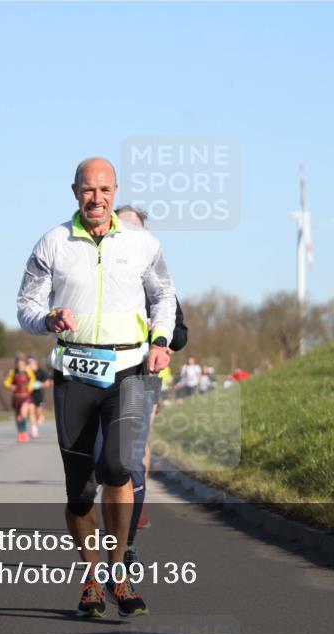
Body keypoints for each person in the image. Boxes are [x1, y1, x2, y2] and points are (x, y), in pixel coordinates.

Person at [17, 157, 176, 618]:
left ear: (115, 191)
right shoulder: (53, 243)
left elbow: (165, 296)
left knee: (119, 467)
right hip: (74, 372)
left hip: (128, 367)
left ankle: (119, 574)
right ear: (74, 192)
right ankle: (90, 578)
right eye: (88, 190)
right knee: (79, 490)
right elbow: (26, 305)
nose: (97, 198)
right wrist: (47, 319)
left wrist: (160, 340)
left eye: (105, 190)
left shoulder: (143, 244)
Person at [111, 205, 189, 570]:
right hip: (96, 380)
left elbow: (181, 331)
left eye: (133, 228)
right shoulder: (99, 271)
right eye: (119, 225)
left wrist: (158, 339)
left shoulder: (155, 276)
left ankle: (125, 543)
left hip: (140, 379)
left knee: (132, 458)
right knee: (103, 468)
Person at [3, 356, 36, 444]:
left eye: (21, 364)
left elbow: (32, 379)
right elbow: (6, 382)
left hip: (25, 396)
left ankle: (24, 433)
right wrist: (10, 386)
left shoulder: (27, 371)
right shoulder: (12, 372)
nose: (20, 366)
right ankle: (21, 433)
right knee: (17, 416)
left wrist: (29, 387)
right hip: (16, 397)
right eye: (18, 364)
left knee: (22, 414)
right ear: (16, 364)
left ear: (24, 364)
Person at [26, 356, 51, 437]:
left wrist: (39, 384)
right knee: (31, 411)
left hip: (39, 394)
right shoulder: (26, 372)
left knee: (38, 412)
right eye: (28, 363)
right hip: (29, 394)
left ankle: (40, 416)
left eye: (31, 362)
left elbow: (47, 383)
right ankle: (34, 429)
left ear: (35, 362)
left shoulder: (41, 371)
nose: (30, 364)